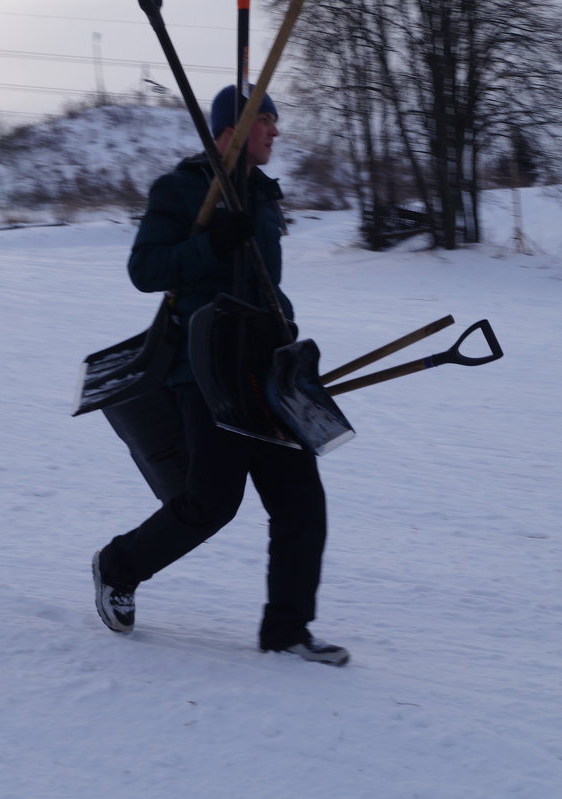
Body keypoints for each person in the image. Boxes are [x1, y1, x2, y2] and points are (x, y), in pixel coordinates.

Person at [91, 85, 349, 666]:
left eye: (277, 121)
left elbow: (264, 284)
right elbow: (146, 270)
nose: (276, 131)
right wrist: (210, 246)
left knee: (300, 500)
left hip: (264, 369)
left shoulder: (262, 196)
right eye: (266, 120)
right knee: (211, 502)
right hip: (202, 369)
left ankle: (287, 632)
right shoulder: (181, 189)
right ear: (231, 132)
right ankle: (118, 566)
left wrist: (289, 339)